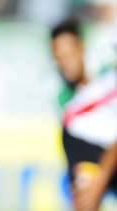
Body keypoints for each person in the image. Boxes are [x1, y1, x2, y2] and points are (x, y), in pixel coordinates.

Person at [51, 19, 117, 211]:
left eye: (69, 55)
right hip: (99, 152)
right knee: (85, 196)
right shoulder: (67, 105)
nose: (65, 63)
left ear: (81, 48)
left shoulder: (108, 71)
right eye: (60, 58)